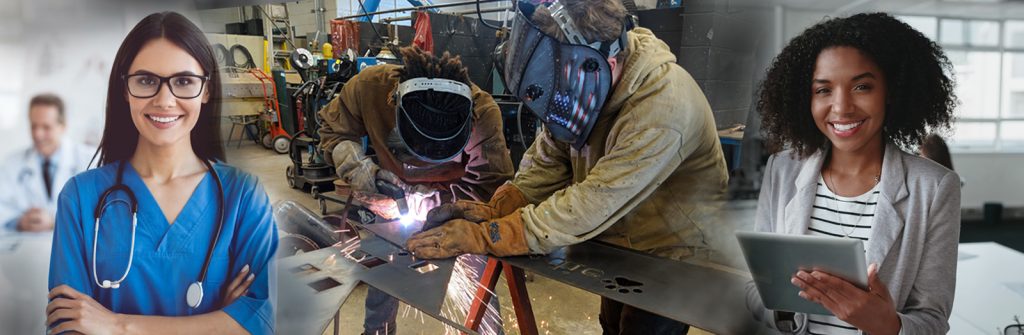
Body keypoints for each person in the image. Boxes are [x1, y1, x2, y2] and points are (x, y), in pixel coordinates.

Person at [407, 0, 730, 333]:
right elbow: (548, 163)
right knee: (612, 324)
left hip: (673, 251)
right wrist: (498, 209)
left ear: (608, 62)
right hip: (622, 235)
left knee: (641, 329)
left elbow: (594, 200)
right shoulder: (585, 87)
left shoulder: (664, 106)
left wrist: (488, 235)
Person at [46, 12, 276, 334]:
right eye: (146, 80)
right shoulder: (81, 197)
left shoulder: (243, 195)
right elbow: (68, 324)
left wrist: (117, 325)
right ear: (124, 88)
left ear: (206, 90)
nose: (164, 100)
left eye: (183, 81)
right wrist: (217, 322)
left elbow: (260, 321)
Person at [748, 13, 960, 334]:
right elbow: (755, 286)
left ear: (892, 91)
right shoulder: (782, 169)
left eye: (862, 86)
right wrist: (782, 312)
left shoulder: (934, 187)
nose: (842, 107)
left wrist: (886, 324)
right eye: (823, 90)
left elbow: (933, 319)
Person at [317, 46, 513, 335]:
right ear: (394, 105)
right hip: (389, 201)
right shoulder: (369, 88)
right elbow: (333, 130)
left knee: (475, 283)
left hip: (454, 211)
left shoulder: (482, 113)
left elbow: (490, 185)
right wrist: (354, 163)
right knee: (385, 274)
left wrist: (433, 203)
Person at [0, 94, 94, 232]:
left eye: (46, 127)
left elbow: (99, 210)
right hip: (24, 247)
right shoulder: (12, 163)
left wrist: (55, 221)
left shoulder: (89, 159)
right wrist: (19, 221)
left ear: (63, 126)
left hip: (74, 248)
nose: (38, 134)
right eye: (34, 126)